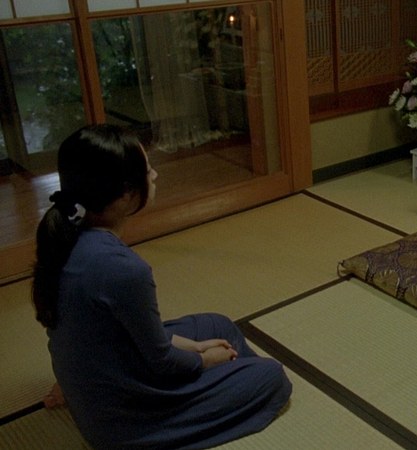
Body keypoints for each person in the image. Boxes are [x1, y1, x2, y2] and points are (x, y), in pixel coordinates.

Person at [32, 124, 293, 449]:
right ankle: (226, 380)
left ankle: (231, 373)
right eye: (148, 170)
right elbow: (163, 362)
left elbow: (124, 333)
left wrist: (198, 346)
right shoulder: (123, 269)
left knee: (219, 325)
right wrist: (205, 360)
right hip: (125, 420)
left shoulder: (64, 233)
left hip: (95, 382)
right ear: (126, 194)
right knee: (271, 377)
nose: (154, 175)